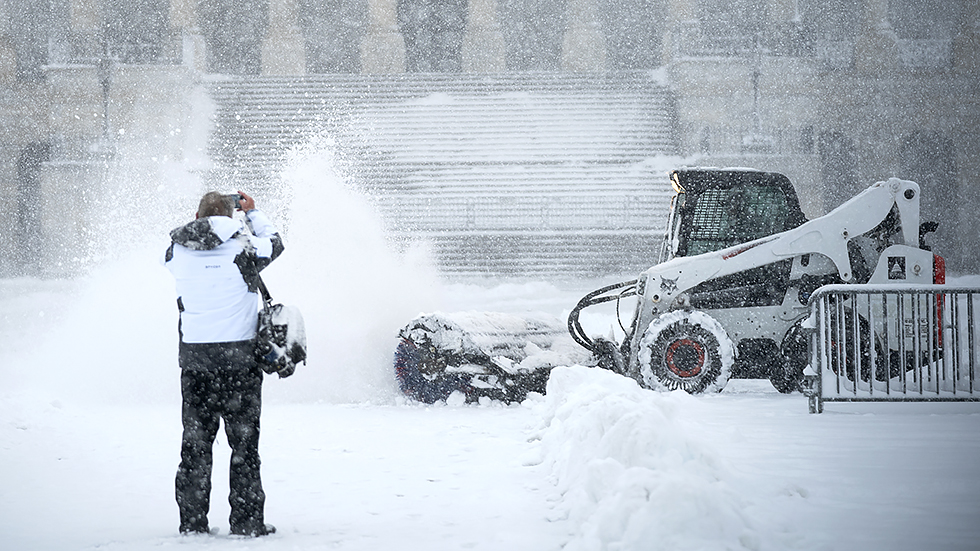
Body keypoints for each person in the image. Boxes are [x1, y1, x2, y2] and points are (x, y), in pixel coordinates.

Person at [163, 190, 284, 537]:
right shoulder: (245, 248)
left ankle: (192, 522)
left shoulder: (177, 251)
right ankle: (247, 522)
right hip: (239, 361)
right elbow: (274, 243)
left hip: (196, 361)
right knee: (244, 445)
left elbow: (168, 256)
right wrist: (253, 213)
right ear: (230, 217)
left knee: (195, 445)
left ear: (198, 216)